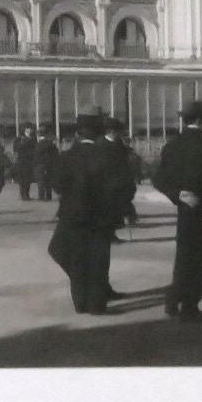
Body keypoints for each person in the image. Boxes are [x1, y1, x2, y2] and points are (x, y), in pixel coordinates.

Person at [150, 100, 202, 320]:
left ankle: (174, 299)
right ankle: (189, 307)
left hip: (187, 209)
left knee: (185, 258)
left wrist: (178, 195)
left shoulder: (173, 146)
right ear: (201, 120)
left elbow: (158, 179)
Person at [47, 112, 125, 314]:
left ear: (77, 134)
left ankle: (81, 302)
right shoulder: (108, 156)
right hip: (101, 217)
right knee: (98, 260)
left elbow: (57, 185)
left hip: (73, 216)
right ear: (99, 134)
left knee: (75, 257)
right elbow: (122, 185)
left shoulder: (66, 157)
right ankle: (97, 304)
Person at [11, 124, 40, 201]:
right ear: (26, 129)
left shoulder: (34, 139)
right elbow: (16, 148)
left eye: (32, 129)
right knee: (22, 180)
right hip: (22, 162)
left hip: (30, 162)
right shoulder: (19, 138)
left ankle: (27, 195)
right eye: (30, 129)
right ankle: (23, 195)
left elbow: (35, 149)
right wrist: (25, 142)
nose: (31, 130)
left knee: (28, 179)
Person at [34, 125, 60, 202]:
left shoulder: (39, 143)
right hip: (50, 163)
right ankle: (48, 196)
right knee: (48, 180)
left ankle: (41, 196)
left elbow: (36, 153)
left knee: (40, 180)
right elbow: (56, 153)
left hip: (40, 163)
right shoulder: (52, 144)